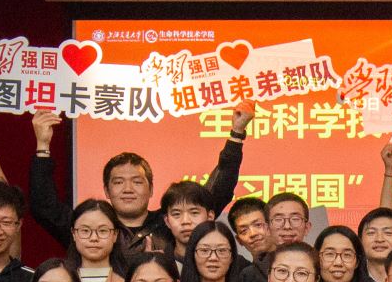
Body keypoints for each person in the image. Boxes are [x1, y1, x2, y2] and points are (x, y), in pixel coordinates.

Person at [26, 103, 253, 254]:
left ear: (151, 189)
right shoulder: (90, 229)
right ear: (106, 191)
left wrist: (236, 134)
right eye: (118, 182)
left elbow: (216, 192)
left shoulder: (168, 224)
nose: (128, 189)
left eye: (137, 182)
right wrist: (43, 146)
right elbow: (44, 207)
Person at [229, 197, 273, 261]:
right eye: (244, 230)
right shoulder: (244, 267)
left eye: (258, 225)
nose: (253, 234)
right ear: (239, 240)